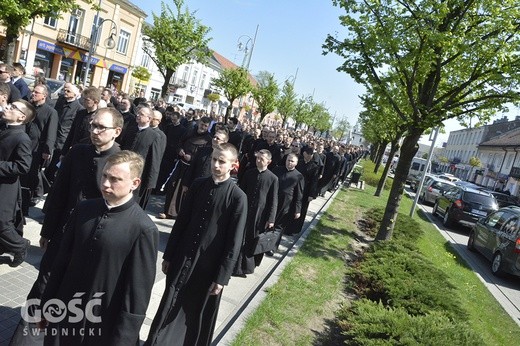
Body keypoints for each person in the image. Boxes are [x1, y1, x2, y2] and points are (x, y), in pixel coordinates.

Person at [38, 150, 159, 344]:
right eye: (104, 175)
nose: (105, 184)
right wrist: (47, 305)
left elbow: (137, 294)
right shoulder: (84, 209)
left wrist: (123, 340)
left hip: (102, 325)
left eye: (115, 179)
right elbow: (61, 262)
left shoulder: (143, 228)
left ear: (135, 184)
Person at [145, 143, 247, 346]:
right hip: (183, 257)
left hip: (208, 267)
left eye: (221, 161)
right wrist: (169, 254)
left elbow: (234, 242)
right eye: (214, 159)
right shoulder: (198, 185)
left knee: (195, 313)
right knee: (168, 303)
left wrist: (221, 278)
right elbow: (181, 222)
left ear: (233, 165)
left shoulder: (237, 197)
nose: (216, 165)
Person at [27, 108, 123, 306]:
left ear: (117, 131)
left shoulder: (121, 162)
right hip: (63, 230)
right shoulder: (78, 151)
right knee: (44, 282)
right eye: (93, 125)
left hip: (91, 238)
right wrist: (47, 230)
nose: (95, 131)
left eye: (101, 127)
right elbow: (58, 194)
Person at [0, 100, 36, 267]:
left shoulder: (21, 137)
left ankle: (20, 246)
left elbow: (23, 166)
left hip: (6, 187)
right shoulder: (4, 127)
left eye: (13, 107)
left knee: (3, 223)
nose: (7, 107)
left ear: (22, 117)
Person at [234, 149, 278, 276]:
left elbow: (273, 200)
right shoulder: (249, 173)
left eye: (261, 159)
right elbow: (241, 192)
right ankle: (235, 265)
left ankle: (246, 267)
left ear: (268, 162)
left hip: (259, 216)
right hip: (245, 211)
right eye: (257, 158)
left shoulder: (273, 178)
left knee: (252, 241)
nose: (258, 161)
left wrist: (271, 219)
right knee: (239, 237)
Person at [20, 84, 58, 211]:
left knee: (33, 172)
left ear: (44, 95)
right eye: (33, 91)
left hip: (38, 148)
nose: (33, 94)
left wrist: (47, 150)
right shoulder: (29, 107)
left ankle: (34, 194)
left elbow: (51, 133)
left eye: (36, 92)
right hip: (25, 144)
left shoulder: (51, 112)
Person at [122, 106, 165, 209]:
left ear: (149, 119)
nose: (138, 116)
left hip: (140, 175)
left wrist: (151, 182)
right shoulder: (131, 129)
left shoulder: (154, 136)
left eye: (141, 114)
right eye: (138, 113)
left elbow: (155, 160)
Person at [272, 153, 304, 251]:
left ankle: (273, 247)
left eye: (292, 161)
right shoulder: (277, 170)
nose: (289, 163)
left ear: (296, 163)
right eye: (288, 160)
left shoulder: (298, 176)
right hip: (273, 200)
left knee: (279, 226)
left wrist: (297, 210)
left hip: (285, 204)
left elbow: (299, 195)